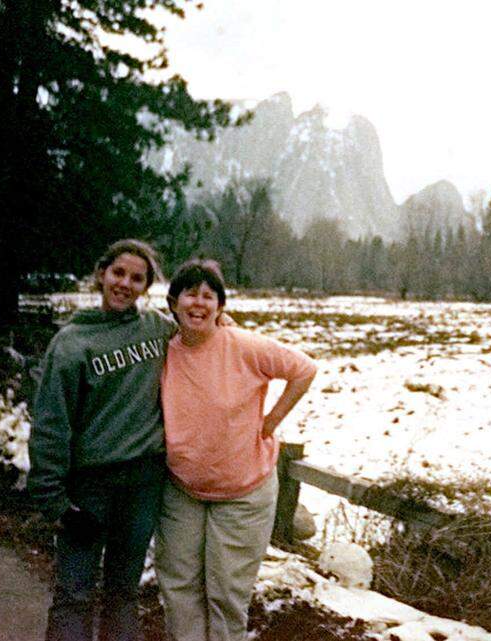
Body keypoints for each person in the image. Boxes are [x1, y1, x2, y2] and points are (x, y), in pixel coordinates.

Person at [156, 259, 316, 641]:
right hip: (182, 491)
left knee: (226, 596)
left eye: (208, 296)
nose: (198, 303)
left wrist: (271, 422)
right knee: (179, 590)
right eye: (189, 294)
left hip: (243, 494)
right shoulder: (162, 349)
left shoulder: (244, 346)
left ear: (221, 307)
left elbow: (304, 369)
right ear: (174, 302)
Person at [28, 239, 175, 641]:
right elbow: (51, 424)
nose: (125, 283)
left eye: (137, 278)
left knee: (123, 594)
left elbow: (204, 337)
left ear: (146, 287)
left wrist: (224, 324)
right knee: (74, 593)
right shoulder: (72, 343)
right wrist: (55, 500)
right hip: (89, 488)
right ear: (101, 275)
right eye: (119, 273)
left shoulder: (159, 330)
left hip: (143, 484)